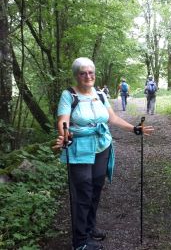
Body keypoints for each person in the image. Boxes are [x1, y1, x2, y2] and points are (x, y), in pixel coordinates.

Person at [52, 57, 154, 250]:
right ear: (76, 75)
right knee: (83, 192)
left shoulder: (100, 94)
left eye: (91, 72)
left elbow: (112, 117)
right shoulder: (69, 95)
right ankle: (80, 242)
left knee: (96, 190)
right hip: (79, 147)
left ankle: (90, 228)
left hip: (102, 146)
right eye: (83, 73)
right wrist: (64, 134)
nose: (88, 76)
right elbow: (62, 120)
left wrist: (134, 129)